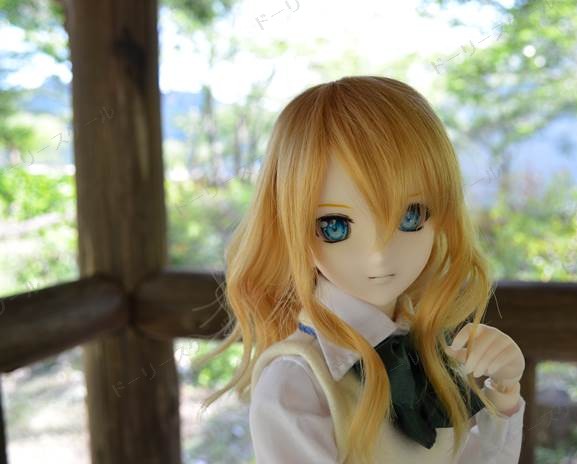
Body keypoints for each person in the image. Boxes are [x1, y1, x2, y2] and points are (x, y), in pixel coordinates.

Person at [196, 76, 526, 463]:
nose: (378, 255)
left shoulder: (429, 352)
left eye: (411, 216)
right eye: (335, 226)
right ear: (292, 228)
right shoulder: (296, 383)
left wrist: (504, 390)